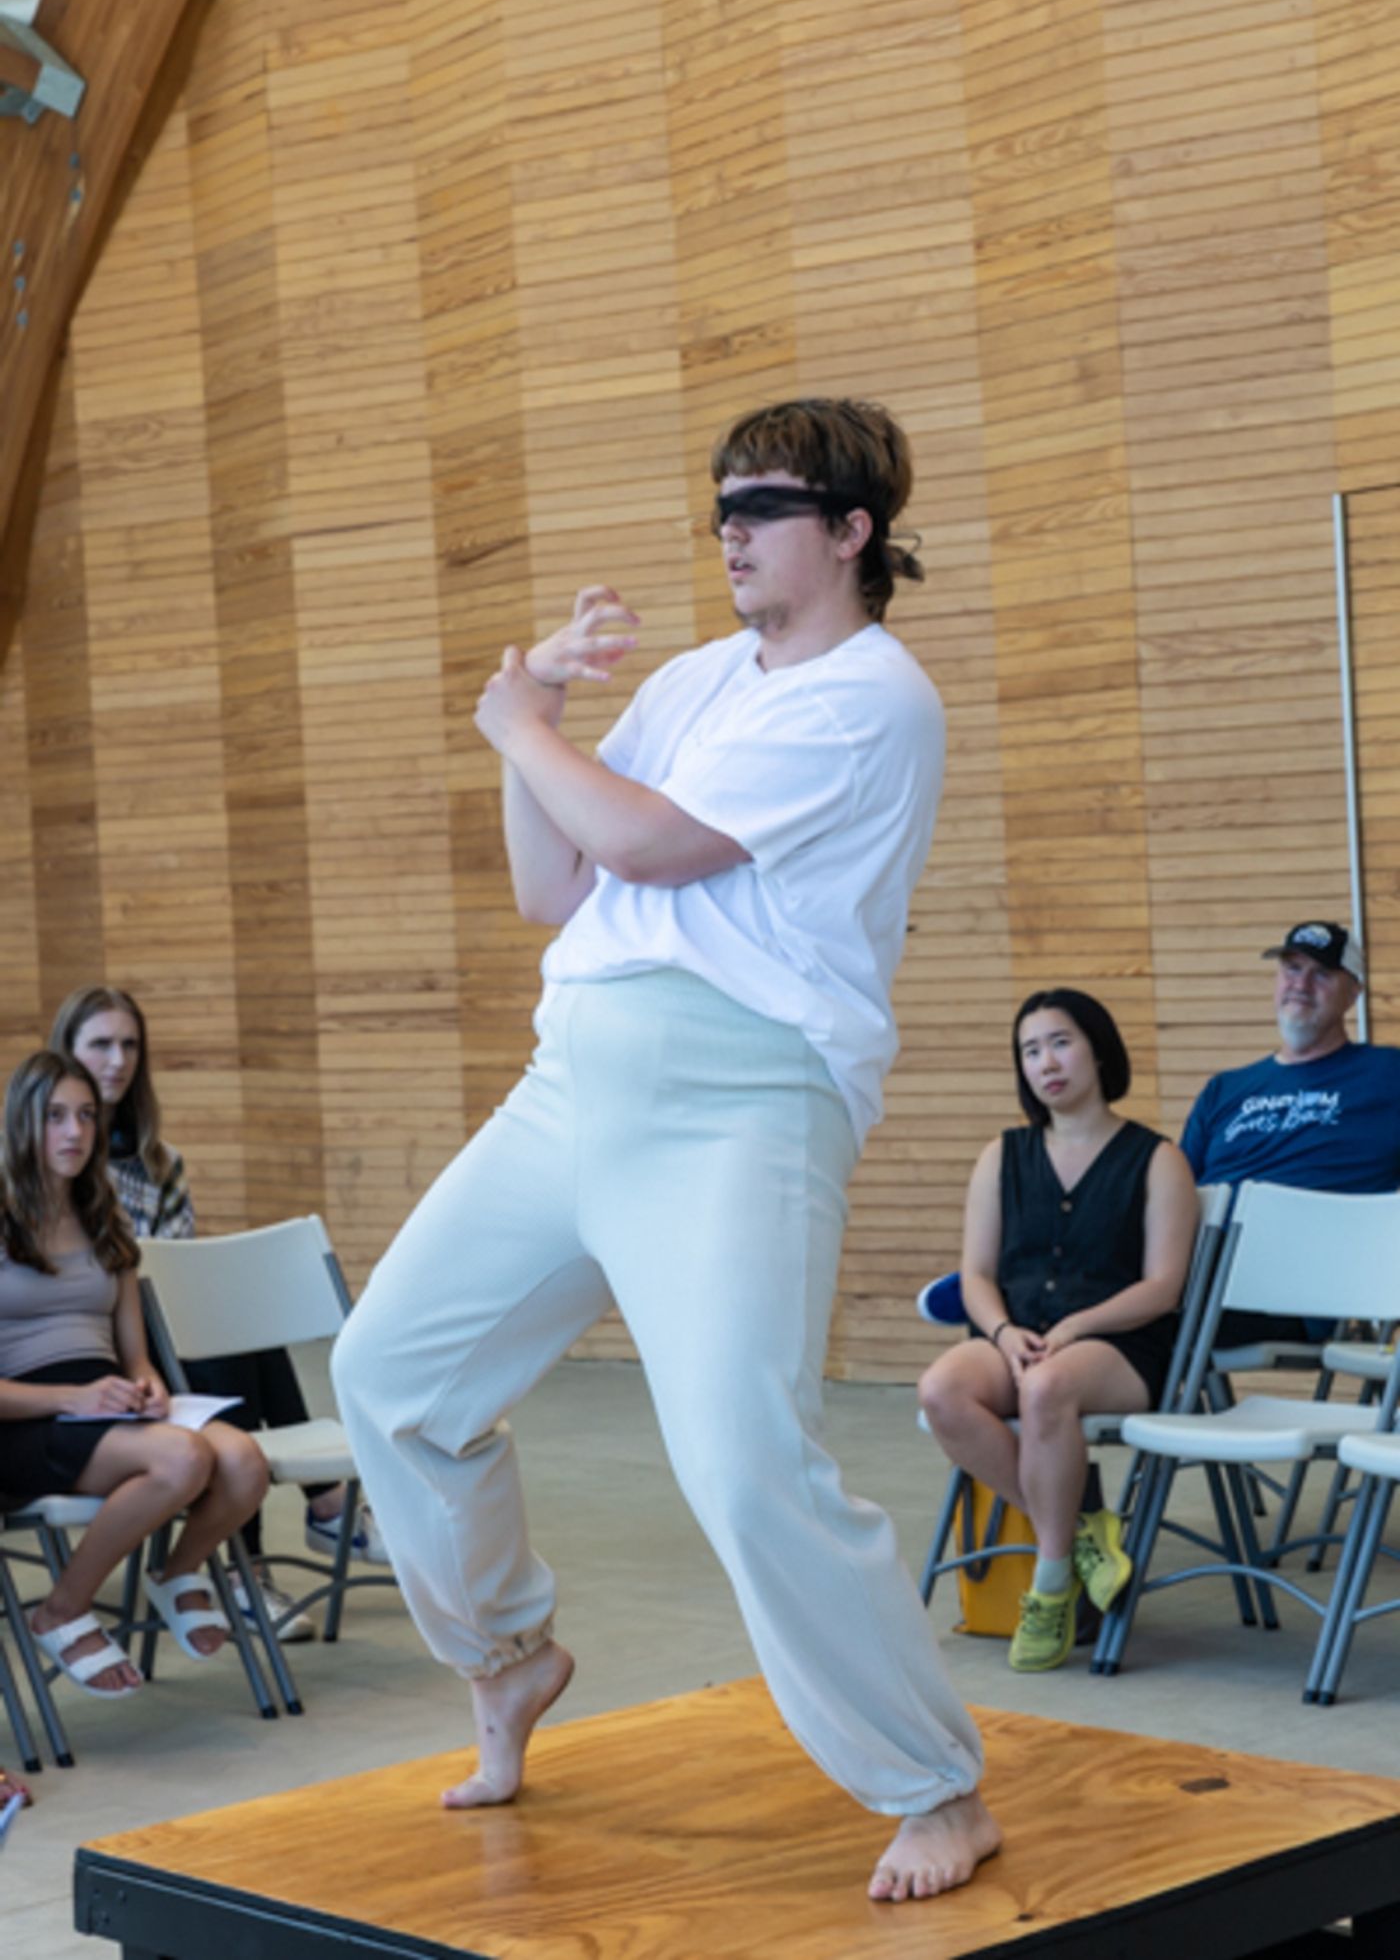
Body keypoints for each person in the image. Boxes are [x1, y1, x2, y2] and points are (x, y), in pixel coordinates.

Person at [333, 397, 1001, 1903]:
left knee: (747, 1461)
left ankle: (934, 1788)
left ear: (852, 530)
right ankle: (506, 1654)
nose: (730, 533)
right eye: (720, 507)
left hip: (739, 1097)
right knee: (393, 1375)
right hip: (575, 1074)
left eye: (763, 507)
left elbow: (649, 846)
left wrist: (520, 727)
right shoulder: (698, 679)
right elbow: (554, 884)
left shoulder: (875, 696)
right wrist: (538, 715)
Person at [50, 986, 389, 1641]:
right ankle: (273, 1548)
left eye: (129, 1045)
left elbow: (175, 1273)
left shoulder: (160, 1162)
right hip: (92, 1344)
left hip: (155, 1333)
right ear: (66, 1051)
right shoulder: (42, 1157)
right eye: (100, 1044)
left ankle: (265, 1552)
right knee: (214, 1338)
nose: (117, 1060)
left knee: (226, 1324)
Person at [918, 990, 1197, 1673]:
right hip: (1018, 1339)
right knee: (941, 1391)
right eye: (1031, 1050)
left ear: (1098, 1050)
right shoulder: (1002, 1155)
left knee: (1046, 1389)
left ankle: (1049, 1586)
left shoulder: (1158, 1158)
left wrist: (1078, 1325)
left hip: (1120, 1343)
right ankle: (1079, 1532)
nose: (1046, 1062)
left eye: (1061, 1043)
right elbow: (976, 1273)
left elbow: (1164, 1287)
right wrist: (1001, 1331)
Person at [0, 1050, 268, 1697]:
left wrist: (148, 1384)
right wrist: (74, 1397)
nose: (74, 1132)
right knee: (182, 1460)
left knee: (245, 1462)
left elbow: (134, 1351)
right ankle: (62, 1609)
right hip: (28, 1418)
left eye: (86, 1115)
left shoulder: (104, 1215)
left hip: (105, 1402)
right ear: (20, 1124)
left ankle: (177, 1572)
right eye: (55, 1116)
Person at [1179, 922, 1400, 1343]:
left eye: (1322, 973)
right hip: (1196, 1280)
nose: (1301, 984)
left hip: (1299, 1294)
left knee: (1121, 1323)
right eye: (1292, 968)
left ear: (1353, 993)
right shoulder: (1224, 1089)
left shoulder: (1389, 1075)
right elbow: (1175, 1198)